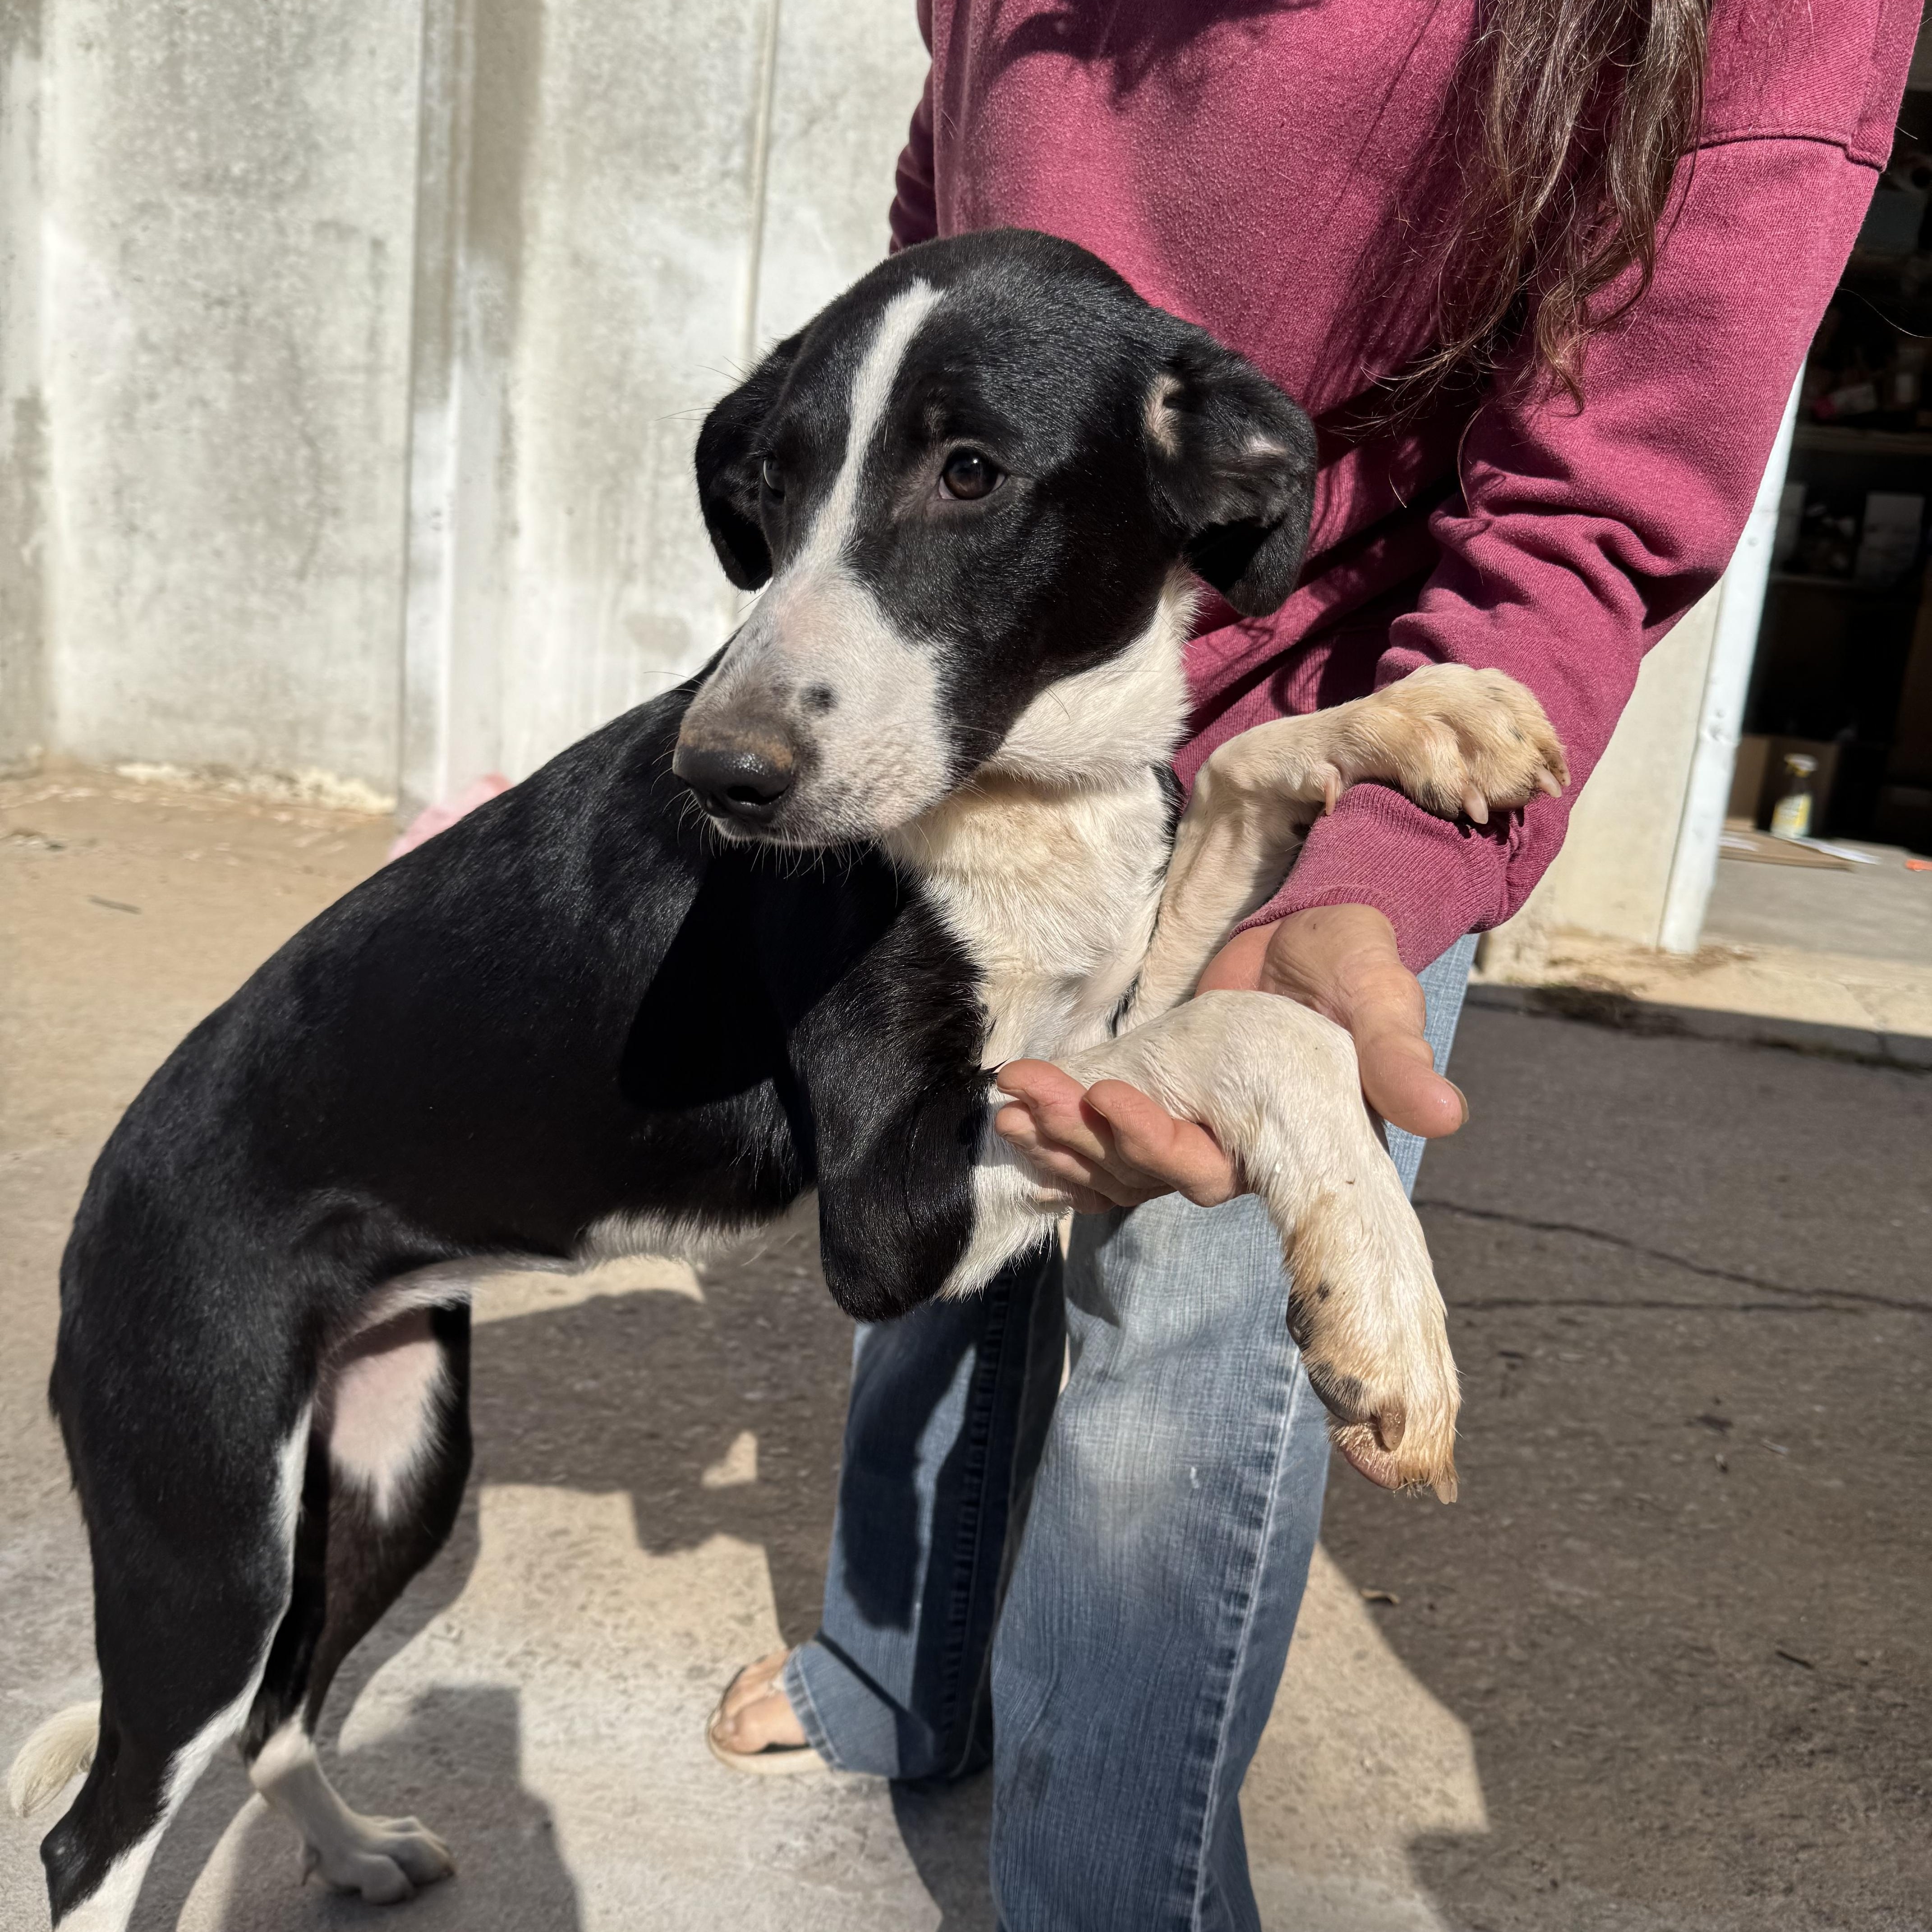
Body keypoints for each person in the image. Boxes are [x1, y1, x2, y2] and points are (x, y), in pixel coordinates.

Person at [710, 4, 1917, 1926]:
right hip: (1008, 698)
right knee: (935, 1170)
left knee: (1189, 1326)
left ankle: (1103, 1897)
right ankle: (892, 1667)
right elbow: (944, 218)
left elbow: (1600, 487)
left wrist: (1386, 860)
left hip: (1346, 699)